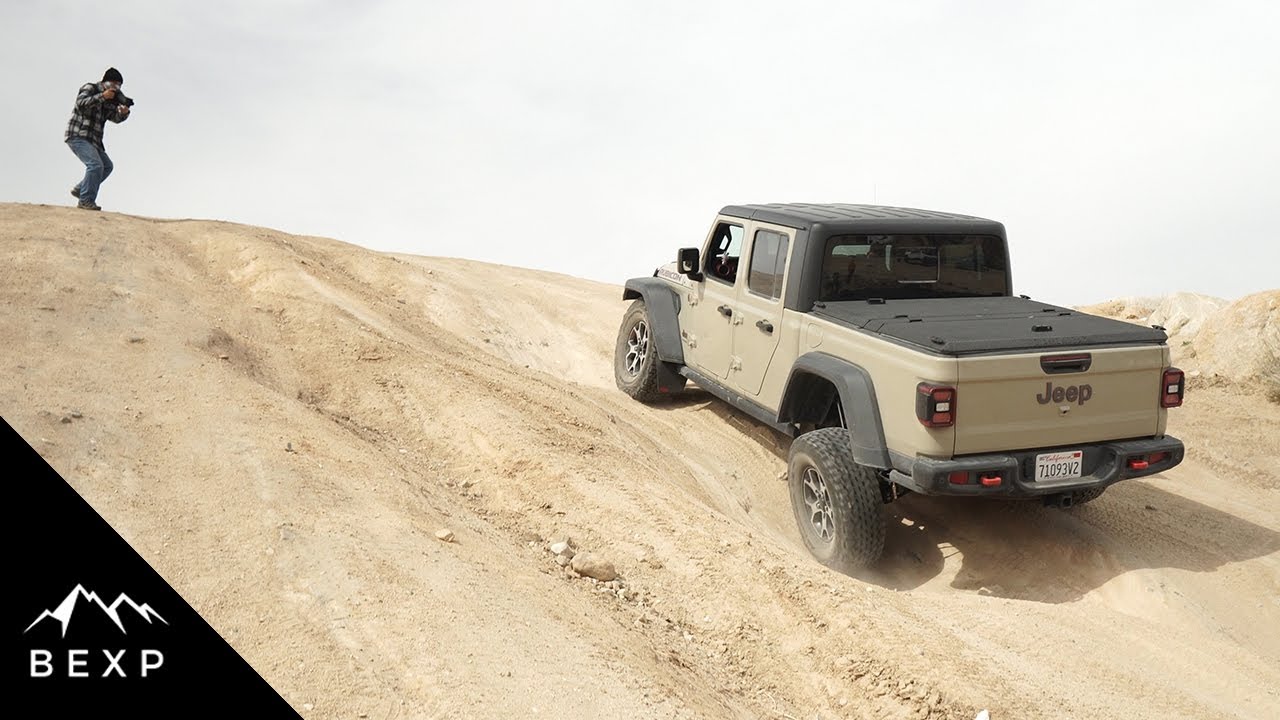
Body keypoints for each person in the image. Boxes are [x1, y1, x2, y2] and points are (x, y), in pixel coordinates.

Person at [66, 67, 131, 211]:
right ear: (105, 82)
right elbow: (81, 103)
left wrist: (123, 113)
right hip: (78, 134)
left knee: (107, 166)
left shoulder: (112, 99)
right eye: (114, 83)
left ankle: (81, 189)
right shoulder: (90, 88)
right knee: (95, 165)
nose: (116, 87)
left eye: (119, 85)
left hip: (94, 140)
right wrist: (103, 96)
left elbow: (114, 118)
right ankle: (86, 200)